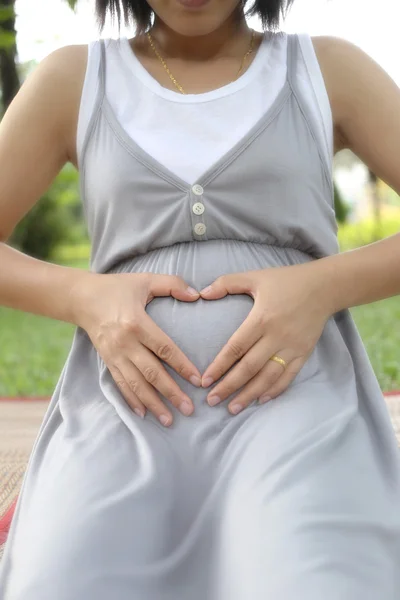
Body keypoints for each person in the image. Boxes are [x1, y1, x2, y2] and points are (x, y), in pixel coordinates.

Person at [0, 0, 400, 597]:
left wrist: (324, 284)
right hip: (125, 413)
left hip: (293, 407)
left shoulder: (326, 67)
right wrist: (83, 296)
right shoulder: (73, 78)